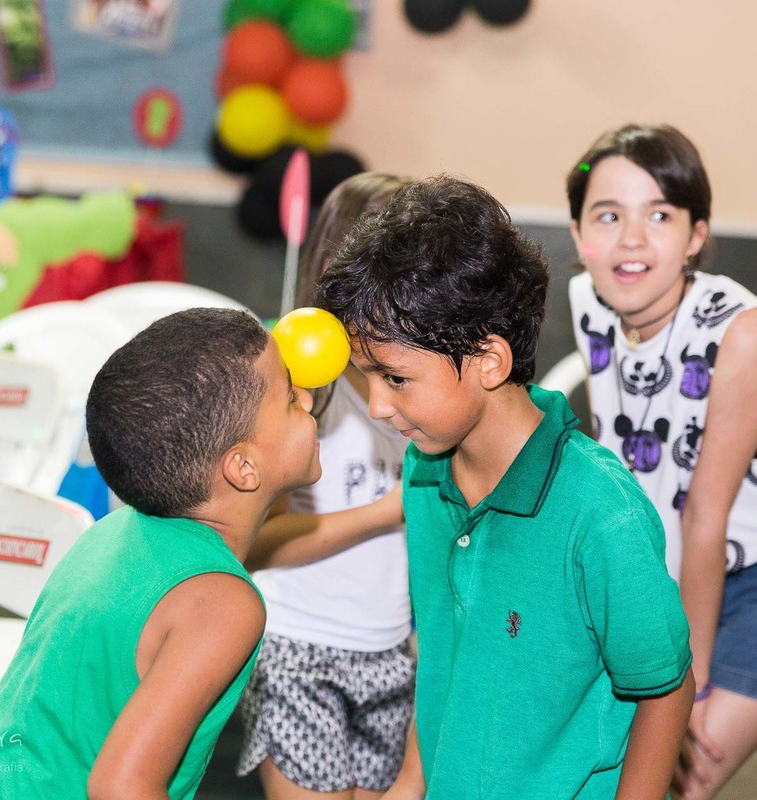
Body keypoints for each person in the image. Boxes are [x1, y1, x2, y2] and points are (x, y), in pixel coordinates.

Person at [318, 174, 694, 800]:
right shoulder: (426, 471)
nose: (378, 405)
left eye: (395, 378)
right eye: (367, 377)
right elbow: (446, 652)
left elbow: (665, 689)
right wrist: (410, 783)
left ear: (489, 361)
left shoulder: (600, 513)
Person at [565, 123, 757, 800]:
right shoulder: (589, 300)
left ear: (696, 234)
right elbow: (624, 455)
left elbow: (706, 514)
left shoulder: (743, 332)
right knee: (615, 764)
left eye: (660, 216)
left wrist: (689, 686)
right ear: (578, 232)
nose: (632, 239)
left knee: (674, 778)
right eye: (608, 216)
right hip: (681, 557)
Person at [0, 307, 322, 800]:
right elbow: (121, 785)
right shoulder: (223, 604)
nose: (309, 398)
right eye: (291, 397)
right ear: (243, 468)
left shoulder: (114, 533)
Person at [237, 173, 414, 800]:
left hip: (391, 654)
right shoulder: (307, 390)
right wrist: (389, 511)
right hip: (297, 649)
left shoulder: (421, 388)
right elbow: (257, 544)